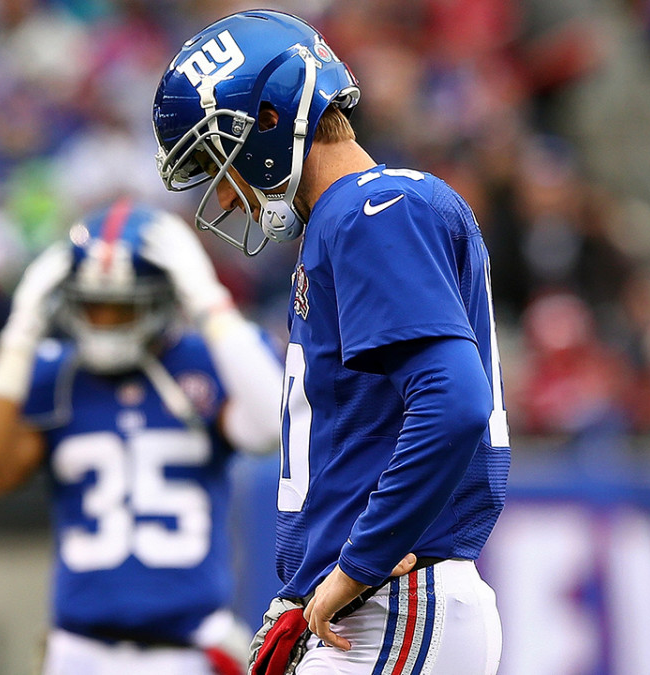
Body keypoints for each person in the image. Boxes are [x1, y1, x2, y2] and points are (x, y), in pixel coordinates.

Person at [152, 10, 510, 675]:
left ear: (267, 119)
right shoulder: (351, 220)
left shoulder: (368, 209)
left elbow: (454, 399)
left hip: (391, 609)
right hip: (379, 611)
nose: (225, 197)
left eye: (216, 158)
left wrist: (358, 561)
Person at [0, 199, 285, 675]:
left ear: (167, 297)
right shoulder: (55, 372)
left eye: (121, 308)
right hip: (79, 649)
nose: (104, 322)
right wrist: (20, 331)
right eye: (93, 306)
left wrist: (210, 300)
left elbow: (273, 428)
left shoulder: (202, 362)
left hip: (188, 648)